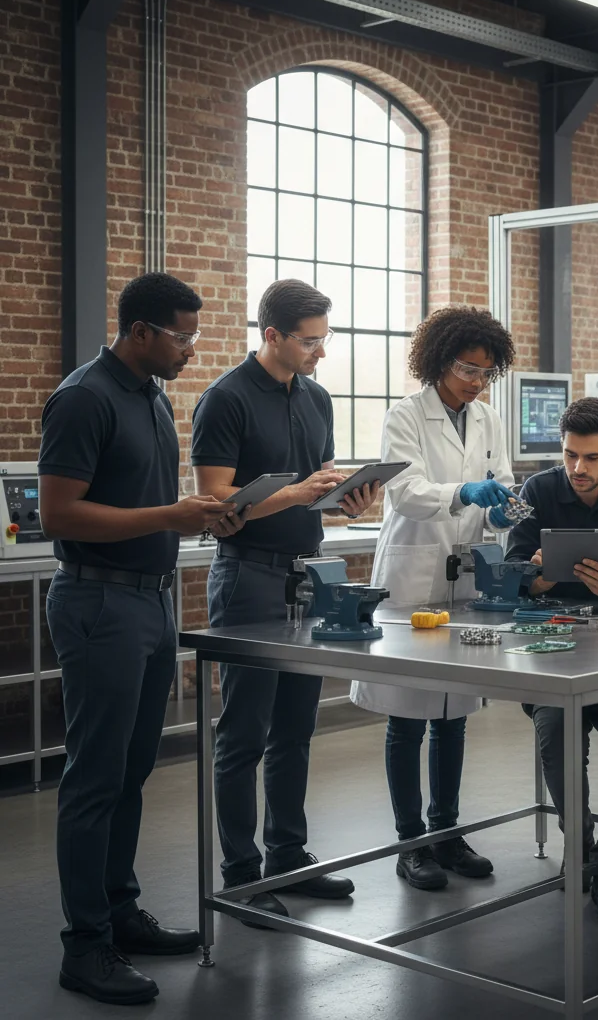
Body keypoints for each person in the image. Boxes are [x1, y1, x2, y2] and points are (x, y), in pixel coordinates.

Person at [39, 273, 240, 1005]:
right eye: (182, 335)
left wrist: (206, 514)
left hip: (151, 604)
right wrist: (168, 517)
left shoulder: (152, 397)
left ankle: (119, 913)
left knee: (132, 774)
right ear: (141, 331)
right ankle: (84, 946)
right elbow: (59, 515)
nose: (191, 348)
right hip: (98, 602)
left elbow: (151, 504)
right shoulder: (85, 397)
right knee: (94, 779)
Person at [191, 279, 377, 924]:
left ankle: (288, 858)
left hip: (308, 575)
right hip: (249, 576)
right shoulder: (225, 399)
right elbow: (216, 502)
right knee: (244, 733)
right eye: (310, 341)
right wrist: (297, 495)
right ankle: (241, 877)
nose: (320, 352)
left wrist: (347, 498)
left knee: (296, 729)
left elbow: (315, 487)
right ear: (271, 335)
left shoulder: (317, 398)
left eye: (326, 340)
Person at [349, 306, 516, 891]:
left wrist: (499, 507)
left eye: (485, 373)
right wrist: (464, 491)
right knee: (408, 716)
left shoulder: (488, 417)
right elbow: (408, 490)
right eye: (468, 369)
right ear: (439, 361)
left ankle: (447, 832)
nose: (476, 382)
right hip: (414, 576)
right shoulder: (405, 416)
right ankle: (410, 841)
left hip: (465, 578)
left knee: (454, 715)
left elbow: (502, 477)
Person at [506, 397, 598, 924]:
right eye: (569, 455)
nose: (578, 469)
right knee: (558, 737)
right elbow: (511, 569)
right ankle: (584, 849)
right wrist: (537, 577)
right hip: (551, 643)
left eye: (591, 458)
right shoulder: (539, 490)